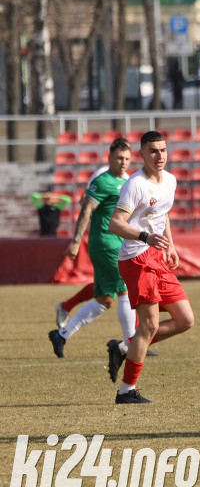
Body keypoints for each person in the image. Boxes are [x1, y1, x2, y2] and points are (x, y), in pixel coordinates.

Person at [106, 131, 196, 404]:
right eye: (153, 151)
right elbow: (116, 224)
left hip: (157, 256)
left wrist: (170, 244)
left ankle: (124, 347)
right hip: (136, 258)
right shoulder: (135, 184)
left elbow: (161, 213)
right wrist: (145, 237)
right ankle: (126, 392)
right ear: (142, 154)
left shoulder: (170, 180)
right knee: (150, 324)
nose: (160, 156)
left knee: (185, 320)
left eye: (163, 150)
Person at [48, 139, 137, 361]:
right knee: (126, 289)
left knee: (105, 299)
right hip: (107, 243)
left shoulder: (126, 180)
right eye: (119, 157)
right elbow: (86, 209)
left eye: (127, 158)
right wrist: (76, 240)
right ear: (109, 158)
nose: (123, 162)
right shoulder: (103, 180)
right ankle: (131, 345)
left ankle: (61, 334)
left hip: (117, 242)